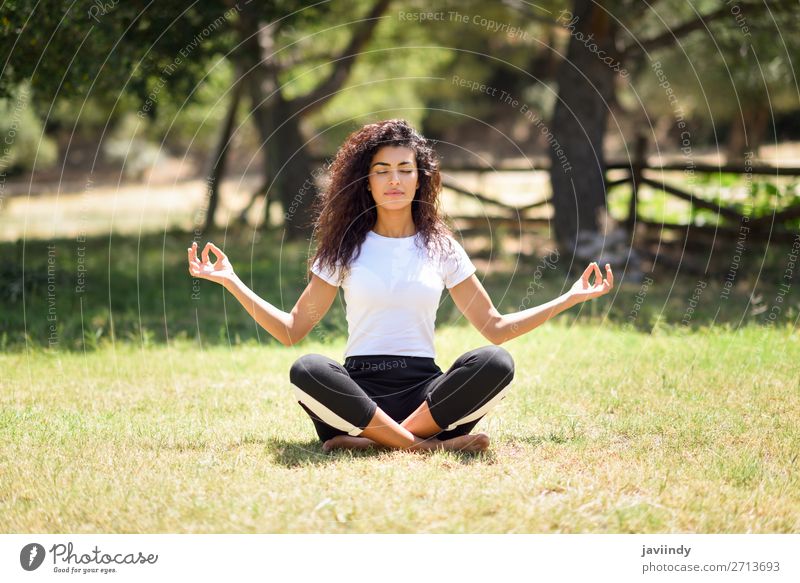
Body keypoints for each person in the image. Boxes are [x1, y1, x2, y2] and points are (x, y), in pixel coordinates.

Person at [187, 119, 613, 453]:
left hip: (427, 397)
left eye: (404, 170)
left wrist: (571, 297)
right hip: (359, 394)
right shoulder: (342, 249)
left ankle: (380, 443)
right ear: (366, 181)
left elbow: (495, 326)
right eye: (382, 170)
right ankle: (421, 448)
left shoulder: (442, 247)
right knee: (308, 369)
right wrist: (231, 281)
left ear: (419, 178)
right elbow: (291, 329)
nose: (394, 180)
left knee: (496, 361)